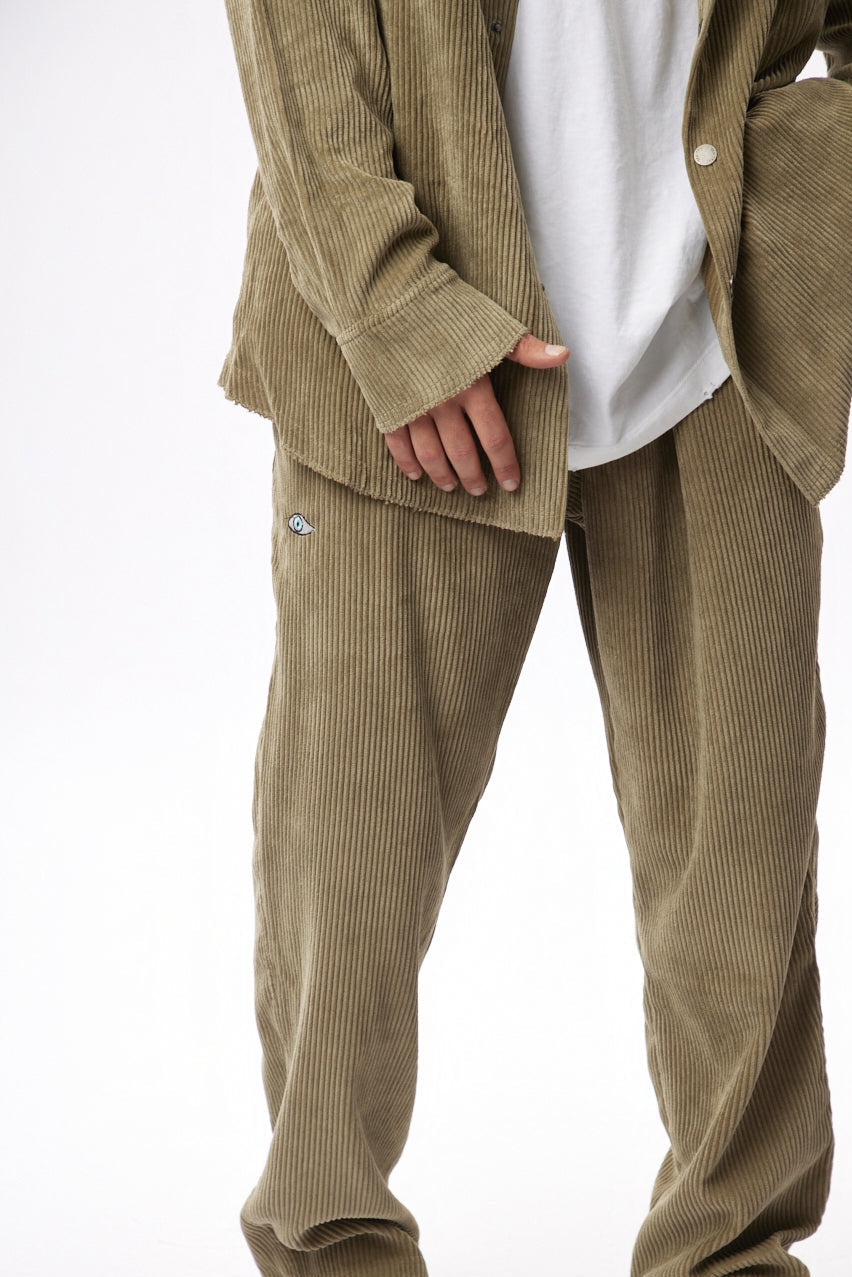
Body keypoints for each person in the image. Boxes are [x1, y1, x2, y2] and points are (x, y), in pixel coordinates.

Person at [216, 2, 852, 1274]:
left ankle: (732, 1254)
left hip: (725, 329)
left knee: (742, 865)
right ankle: (333, 1248)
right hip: (408, 361)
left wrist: (818, 220)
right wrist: (392, 307)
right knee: (351, 868)